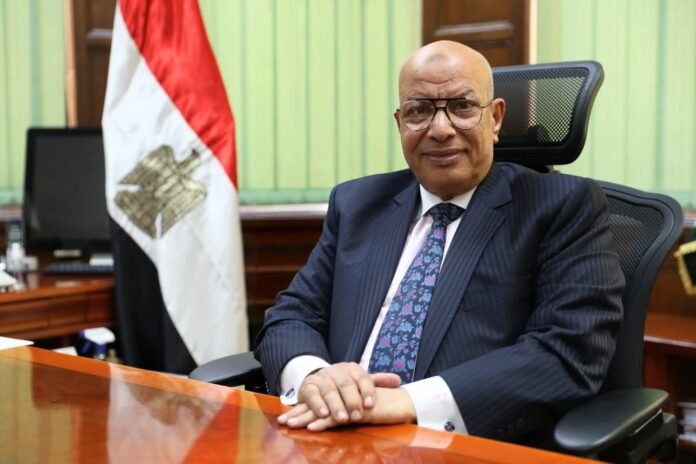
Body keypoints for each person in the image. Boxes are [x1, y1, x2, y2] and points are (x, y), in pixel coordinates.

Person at [254, 40, 624, 442]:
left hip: (462, 444)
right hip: (331, 433)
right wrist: (315, 377)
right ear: (400, 124)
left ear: (495, 118)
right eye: (419, 111)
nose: (441, 129)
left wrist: (407, 403)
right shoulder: (358, 203)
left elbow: (566, 353)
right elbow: (293, 315)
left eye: (462, 106)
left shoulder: (560, 207)